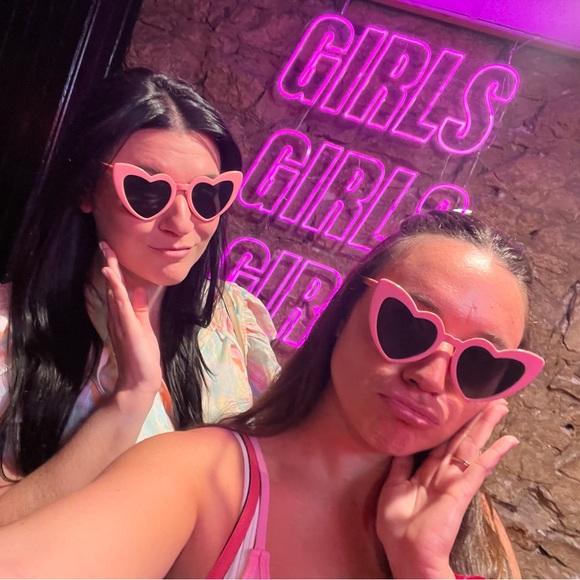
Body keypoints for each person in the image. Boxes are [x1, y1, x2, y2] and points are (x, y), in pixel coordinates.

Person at [0, 210, 544, 578]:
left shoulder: (468, 528)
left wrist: (423, 568)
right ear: (343, 315)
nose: (430, 376)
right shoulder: (202, 476)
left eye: (481, 365)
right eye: (408, 325)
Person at [0, 68, 279, 525]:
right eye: (148, 192)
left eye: (208, 195)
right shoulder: (10, 332)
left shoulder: (232, 317)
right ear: (86, 188)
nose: (182, 223)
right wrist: (128, 401)